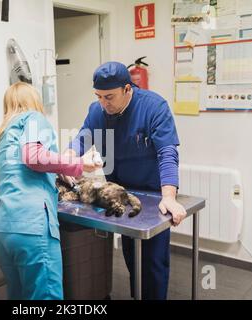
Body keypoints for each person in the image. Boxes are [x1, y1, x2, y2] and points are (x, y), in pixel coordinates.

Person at [61, 61, 187, 300]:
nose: (103, 103)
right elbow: (82, 139)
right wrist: (66, 159)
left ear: (128, 89)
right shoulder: (97, 111)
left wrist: (169, 197)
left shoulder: (153, 107)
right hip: (120, 193)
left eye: (109, 97)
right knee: (132, 256)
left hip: (153, 195)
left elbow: (168, 153)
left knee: (153, 262)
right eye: (98, 96)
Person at [0, 82, 101, 300]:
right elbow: (34, 157)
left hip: (4, 228)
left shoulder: (5, 134)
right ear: (34, 101)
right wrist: (79, 163)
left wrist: (58, 170)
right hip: (31, 225)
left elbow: (22, 168)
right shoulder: (33, 118)